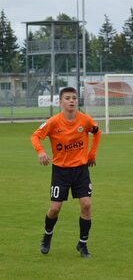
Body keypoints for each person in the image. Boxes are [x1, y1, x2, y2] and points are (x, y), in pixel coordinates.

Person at [30, 87, 101, 258]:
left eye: (74, 98)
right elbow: (35, 136)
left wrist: (92, 153)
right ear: (61, 102)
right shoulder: (54, 122)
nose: (71, 101)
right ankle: (47, 236)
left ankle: (82, 244)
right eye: (67, 98)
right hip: (61, 171)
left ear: (77, 101)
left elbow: (97, 132)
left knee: (86, 204)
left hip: (81, 170)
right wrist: (40, 151)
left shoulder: (84, 120)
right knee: (55, 209)